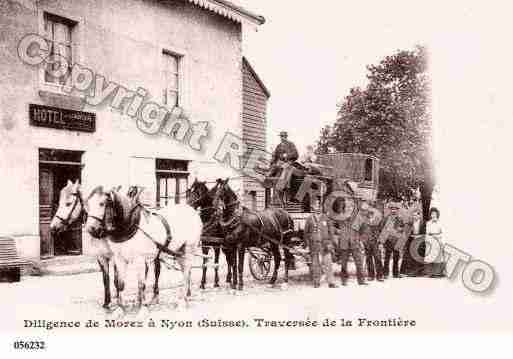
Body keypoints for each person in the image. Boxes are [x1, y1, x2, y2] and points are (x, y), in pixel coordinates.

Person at [331, 197, 367, 286]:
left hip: (355, 242)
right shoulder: (339, 217)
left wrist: (361, 239)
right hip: (344, 243)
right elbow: (331, 226)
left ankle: (361, 281)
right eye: (346, 206)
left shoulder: (357, 217)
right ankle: (344, 280)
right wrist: (338, 232)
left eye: (350, 207)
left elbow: (363, 229)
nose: (348, 208)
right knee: (343, 263)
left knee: (359, 262)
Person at [304, 199, 338, 288]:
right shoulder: (309, 219)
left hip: (325, 244)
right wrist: (307, 244)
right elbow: (306, 233)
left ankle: (331, 282)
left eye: (319, 206)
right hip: (314, 245)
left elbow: (331, 231)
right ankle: (316, 282)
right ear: (313, 207)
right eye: (316, 206)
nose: (318, 208)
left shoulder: (326, 218)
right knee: (315, 264)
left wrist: (330, 243)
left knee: (328, 263)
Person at [378, 201, 406, 279]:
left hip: (396, 241)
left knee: (396, 258)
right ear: (390, 210)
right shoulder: (386, 219)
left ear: (397, 210)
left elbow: (403, 230)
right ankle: (385, 273)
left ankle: (396, 273)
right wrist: (381, 241)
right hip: (388, 241)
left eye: (395, 209)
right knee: (387, 257)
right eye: (392, 209)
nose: (393, 210)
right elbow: (381, 229)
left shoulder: (400, 219)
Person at [359, 201, 384, 282]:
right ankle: (371, 275)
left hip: (376, 241)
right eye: (364, 209)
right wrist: (361, 241)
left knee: (378, 258)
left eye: (367, 208)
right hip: (366, 242)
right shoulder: (361, 219)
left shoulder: (378, 217)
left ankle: (380, 275)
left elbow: (382, 230)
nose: (366, 210)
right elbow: (359, 231)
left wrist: (381, 242)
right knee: (368, 258)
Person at [400, 209, 426, 277]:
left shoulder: (423, 223)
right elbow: (407, 232)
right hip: (411, 240)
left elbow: (426, 233)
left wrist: (419, 236)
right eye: (413, 215)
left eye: (416, 215)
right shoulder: (410, 223)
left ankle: (419, 272)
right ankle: (407, 272)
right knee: (408, 255)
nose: (414, 217)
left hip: (420, 241)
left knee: (419, 255)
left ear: (419, 215)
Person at [424, 207, 445, 278]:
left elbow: (443, 233)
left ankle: (438, 273)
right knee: (430, 256)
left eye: (435, 214)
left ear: (437, 214)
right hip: (430, 241)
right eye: (432, 214)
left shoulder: (440, 223)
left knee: (438, 257)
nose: (433, 215)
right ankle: (431, 273)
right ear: (430, 215)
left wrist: (437, 236)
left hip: (438, 241)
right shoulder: (428, 223)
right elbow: (427, 233)